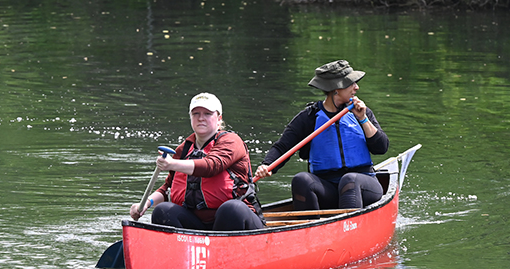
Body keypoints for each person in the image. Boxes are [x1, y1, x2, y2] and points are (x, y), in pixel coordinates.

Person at [255, 60, 389, 213]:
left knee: (349, 179)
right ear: (336, 89)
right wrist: (267, 165)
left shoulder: (361, 112)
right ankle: (309, 230)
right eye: (351, 83)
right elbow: (283, 147)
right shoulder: (309, 117)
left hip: (364, 184)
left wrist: (363, 119)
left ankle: (348, 228)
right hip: (328, 188)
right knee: (301, 180)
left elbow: (382, 147)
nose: (356, 87)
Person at [130, 92, 264, 231]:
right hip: (199, 224)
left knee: (231, 209)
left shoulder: (231, 141)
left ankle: (223, 249)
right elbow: (167, 188)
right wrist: (146, 203)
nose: (201, 118)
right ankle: (182, 249)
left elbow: (211, 166)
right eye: (196, 114)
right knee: (163, 210)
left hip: (237, 220)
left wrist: (171, 164)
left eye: (207, 113)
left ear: (219, 119)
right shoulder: (184, 149)